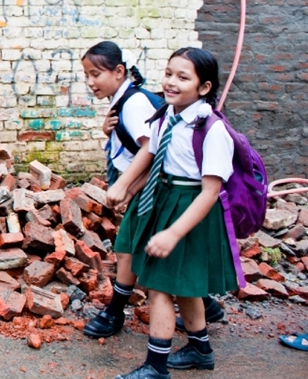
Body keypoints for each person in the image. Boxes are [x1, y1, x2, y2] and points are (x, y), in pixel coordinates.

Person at [105, 47, 239, 379]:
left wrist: (174, 232)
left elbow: (210, 193)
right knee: (184, 284)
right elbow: (149, 153)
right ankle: (199, 349)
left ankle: (156, 370)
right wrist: (124, 184)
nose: (170, 82)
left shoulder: (212, 131)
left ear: (204, 87)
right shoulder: (169, 114)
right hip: (163, 199)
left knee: (159, 285)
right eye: (168, 73)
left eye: (183, 77)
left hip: (189, 207)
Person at [79, 42, 224, 339]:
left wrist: (126, 186)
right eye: (168, 74)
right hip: (149, 190)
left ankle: (122, 320)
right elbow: (153, 149)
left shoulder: (138, 105)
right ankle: (200, 322)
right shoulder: (158, 111)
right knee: (135, 253)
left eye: (96, 74)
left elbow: (151, 152)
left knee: (143, 264)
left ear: (120, 72)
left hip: (162, 192)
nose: (91, 82)